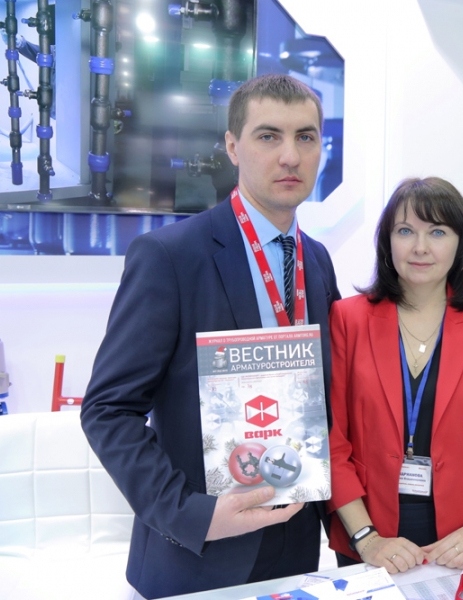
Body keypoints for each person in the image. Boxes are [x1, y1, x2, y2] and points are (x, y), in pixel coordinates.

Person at [80, 74, 340, 599]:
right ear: (232, 147)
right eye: (268, 136)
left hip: (296, 545)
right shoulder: (170, 256)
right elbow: (108, 410)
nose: (290, 156)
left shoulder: (316, 260)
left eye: (305, 137)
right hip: (198, 558)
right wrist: (190, 514)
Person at [327, 177, 463, 574]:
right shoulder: (348, 319)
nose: (420, 247)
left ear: (461, 243)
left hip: (459, 537)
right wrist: (366, 537)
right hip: (368, 530)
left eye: (438, 232)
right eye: (405, 231)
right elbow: (332, 440)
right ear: (387, 241)